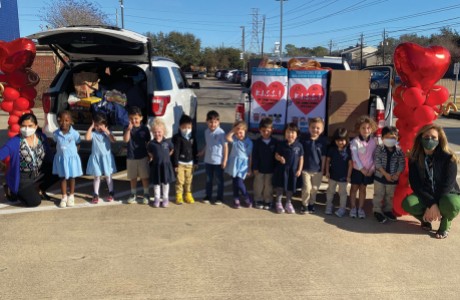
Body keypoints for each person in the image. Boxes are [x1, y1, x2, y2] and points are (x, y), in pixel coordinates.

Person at [402, 124, 460, 239]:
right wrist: (430, 203)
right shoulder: (414, 158)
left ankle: (445, 224)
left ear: (439, 140)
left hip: (446, 194)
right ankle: (425, 219)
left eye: (434, 137)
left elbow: (447, 185)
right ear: (421, 138)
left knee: (452, 204)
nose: (430, 139)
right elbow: (416, 184)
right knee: (408, 203)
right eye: (426, 136)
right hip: (426, 194)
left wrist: (433, 204)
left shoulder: (449, 158)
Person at [0, 113, 58, 207]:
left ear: (36, 126)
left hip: (38, 172)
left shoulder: (41, 137)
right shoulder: (15, 142)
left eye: (30, 126)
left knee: (60, 169)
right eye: (23, 126)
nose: (27, 129)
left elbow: (49, 155)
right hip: (22, 177)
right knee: (35, 202)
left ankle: (39, 188)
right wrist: (2, 166)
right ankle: (11, 189)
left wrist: (59, 164)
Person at [372, 126, 405, 223]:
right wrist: (385, 174)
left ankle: (387, 211)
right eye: (387, 137)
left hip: (393, 179)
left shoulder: (399, 151)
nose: (390, 140)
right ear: (382, 138)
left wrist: (397, 174)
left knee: (390, 196)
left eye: (393, 138)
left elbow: (401, 163)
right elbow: (377, 162)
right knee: (378, 194)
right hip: (380, 177)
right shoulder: (379, 148)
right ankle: (377, 211)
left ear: (397, 138)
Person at [52, 110, 83, 208]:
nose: (63, 123)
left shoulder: (74, 133)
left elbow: (78, 143)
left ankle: (71, 195)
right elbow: (55, 144)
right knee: (62, 177)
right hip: (61, 159)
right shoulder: (56, 134)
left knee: (72, 177)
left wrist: (74, 154)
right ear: (58, 121)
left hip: (71, 159)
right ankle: (64, 196)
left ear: (71, 121)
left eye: (66, 120)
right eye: (61, 120)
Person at [349, 115, 377, 219]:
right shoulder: (355, 142)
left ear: (372, 128)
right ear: (358, 129)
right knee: (354, 188)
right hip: (357, 170)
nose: (366, 130)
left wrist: (372, 169)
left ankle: (360, 208)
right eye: (363, 128)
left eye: (368, 127)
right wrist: (362, 169)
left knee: (363, 189)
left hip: (369, 171)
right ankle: (353, 207)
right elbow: (354, 157)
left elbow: (376, 156)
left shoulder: (374, 142)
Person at [85, 113, 117, 204]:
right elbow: (87, 138)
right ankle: (95, 194)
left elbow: (113, 140)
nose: (99, 127)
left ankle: (111, 192)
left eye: (101, 125)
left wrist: (106, 131)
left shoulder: (108, 133)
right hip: (96, 158)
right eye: (96, 125)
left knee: (108, 175)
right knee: (97, 176)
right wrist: (91, 127)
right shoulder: (94, 134)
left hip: (106, 158)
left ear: (105, 124)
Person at [273, 123, 304, 214]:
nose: (290, 134)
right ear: (284, 134)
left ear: (297, 134)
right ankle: (278, 202)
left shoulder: (299, 146)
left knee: (290, 187)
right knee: (280, 187)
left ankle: (288, 203)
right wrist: (279, 158)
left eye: (293, 132)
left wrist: (299, 170)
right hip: (282, 170)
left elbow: (301, 158)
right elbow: (276, 155)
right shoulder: (281, 144)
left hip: (293, 171)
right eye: (288, 132)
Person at [299, 117, 328, 214]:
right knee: (307, 188)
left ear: (322, 129)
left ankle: (312, 203)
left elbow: (324, 156)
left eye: (318, 128)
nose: (315, 130)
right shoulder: (304, 139)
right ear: (309, 128)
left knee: (315, 189)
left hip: (318, 170)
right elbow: (301, 155)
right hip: (306, 169)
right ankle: (305, 204)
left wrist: (323, 169)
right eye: (313, 127)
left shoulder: (323, 141)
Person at [123, 106, 151, 205]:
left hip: (143, 155)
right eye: (131, 118)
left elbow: (148, 142)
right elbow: (126, 140)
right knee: (133, 177)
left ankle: (146, 193)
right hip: (131, 156)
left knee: (144, 176)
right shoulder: (127, 128)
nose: (133, 121)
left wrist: (149, 154)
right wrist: (128, 130)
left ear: (141, 118)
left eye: (136, 118)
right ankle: (133, 193)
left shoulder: (145, 129)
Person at [199, 110, 228, 205]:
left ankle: (220, 198)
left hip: (218, 161)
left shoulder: (221, 133)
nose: (213, 124)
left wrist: (225, 160)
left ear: (219, 122)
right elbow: (208, 143)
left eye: (215, 122)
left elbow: (225, 146)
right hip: (208, 160)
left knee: (219, 180)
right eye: (211, 122)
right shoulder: (206, 132)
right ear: (207, 121)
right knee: (208, 180)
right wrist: (203, 151)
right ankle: (208, 196)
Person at [147, 118, 175, 208]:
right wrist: (153, 157)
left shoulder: (167, 142)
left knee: (165, 183)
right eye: (155, 132)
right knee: (156, 184)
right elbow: (149, 151)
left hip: (165, 166)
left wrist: (166, 157)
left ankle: (165, 198)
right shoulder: (151, 143)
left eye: (159, 132)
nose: (157, 134)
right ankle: (157, 198)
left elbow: (172, 150)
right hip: (156, 166)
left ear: (164, 132)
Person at [325, 128, 353, 217]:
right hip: (332, 176)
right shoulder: (332, 149)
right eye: (338, 140)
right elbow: (328, 161)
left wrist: (348, 176)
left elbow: (350, 164)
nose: (340, 142)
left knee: (343, 194)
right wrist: (327, 171)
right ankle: (329, 205)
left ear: (346, 140)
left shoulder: (348, 151)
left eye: (342, 140)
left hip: (343, 178)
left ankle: (342, 208)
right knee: (330, 191)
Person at [225, 121, 253, 209]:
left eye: (240, 132)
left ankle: (246, 196)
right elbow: (227, 137)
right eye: (237, 133)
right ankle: (236, 198)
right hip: (234, 164)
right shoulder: (235, 140)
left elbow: (250, 156)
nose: (239, 134)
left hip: (243, 165)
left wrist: (249, 168)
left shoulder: (249, 142)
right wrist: (233, 130)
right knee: (234, 182)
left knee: (239, 182)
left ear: (245, 131)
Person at [172, 114, 198, 205]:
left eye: (189, 127)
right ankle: (179, 195)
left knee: (189, 180)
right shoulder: (178, 138)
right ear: (180, 127)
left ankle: (188, 194)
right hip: (180, 163)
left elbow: (195, 150)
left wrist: (196, 161)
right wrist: (175, 164)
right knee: (180, 180)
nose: (186, 129)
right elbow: (176, 152)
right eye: (184, 127)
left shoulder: (192, 138)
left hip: (190, 163)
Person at [252, 117, 277, 210]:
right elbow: (255, 156)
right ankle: (257, 199)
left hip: (270, 169)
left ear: (272, 130)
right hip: (259, 169)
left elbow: (276, 157)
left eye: (268, 130)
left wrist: (276, 168)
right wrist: (255, 167)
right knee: (258, 185)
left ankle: (268, 200)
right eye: (263, 131)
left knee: (268, 186)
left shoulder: (275, 142)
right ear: (260, 130)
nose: (266, 133)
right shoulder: (257, 142)